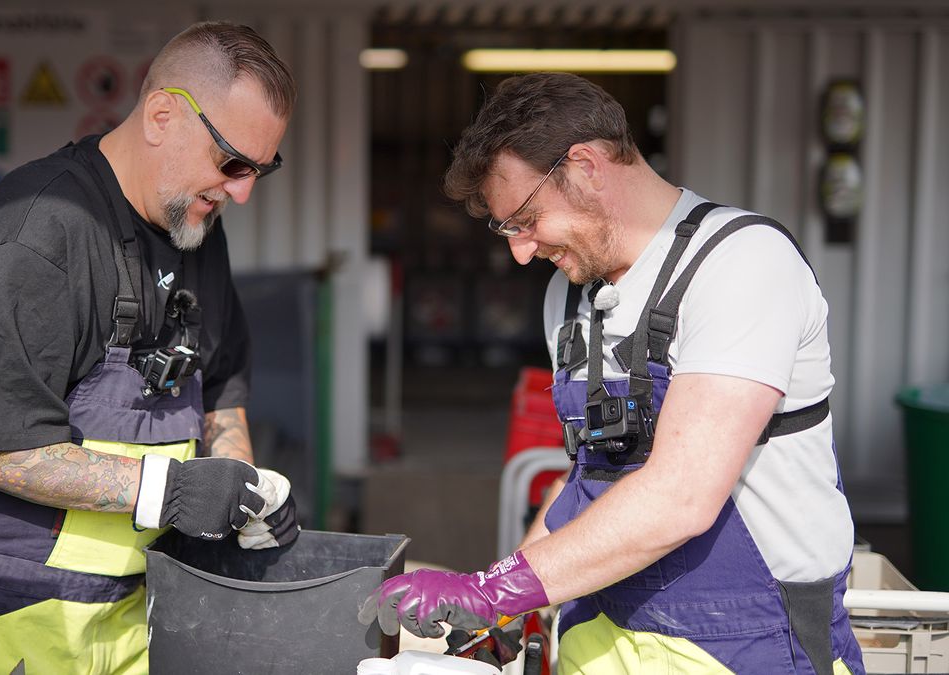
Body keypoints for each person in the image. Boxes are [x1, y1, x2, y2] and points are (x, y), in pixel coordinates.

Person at [360, 72, 864, 674]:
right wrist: (508, 607)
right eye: (506, 230)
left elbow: (682, 494)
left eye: (525, 218)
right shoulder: (569, 299)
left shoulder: (741, 265)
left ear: (586, 166)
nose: (519, 251)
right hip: (597, 637)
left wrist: (495, 590)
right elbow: (590, 476)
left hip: (747, 647)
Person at [0, 21, 300, 674]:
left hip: (122, 610)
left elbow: (221, 384)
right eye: (231, 162)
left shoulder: (196, 227)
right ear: (162, 114)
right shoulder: (38, 236)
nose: (244, 190)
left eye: (261, 168)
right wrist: (164, 490)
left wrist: (240, 492)